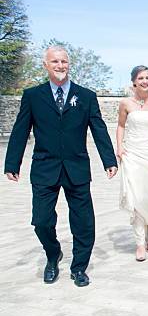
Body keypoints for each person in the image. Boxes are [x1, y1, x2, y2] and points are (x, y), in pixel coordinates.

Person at [4, 45, 117, 287]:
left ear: (69, 64)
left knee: (84, 222)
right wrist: (12, 162)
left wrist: (109, 160)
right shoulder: (33, 96)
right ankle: (53, 254)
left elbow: (98, 128)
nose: (60, 66)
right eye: (54, 61)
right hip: (45, 168)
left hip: (77, 168)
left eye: (64, 61)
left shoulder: (86, 96)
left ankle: (79, 268)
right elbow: (20, 130)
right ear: (45, 65)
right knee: (41, 220)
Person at [116, 65, 148, 262]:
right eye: (141, 78)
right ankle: (139, 242)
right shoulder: (125, 103)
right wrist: (119, 147)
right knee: (136, 199)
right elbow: (121, 126)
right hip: (133, 155)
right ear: (134, 81)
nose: (145, 81)